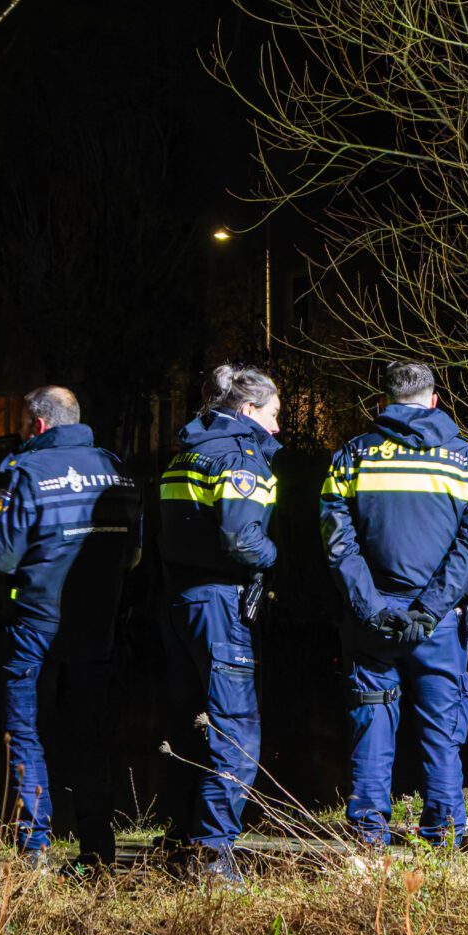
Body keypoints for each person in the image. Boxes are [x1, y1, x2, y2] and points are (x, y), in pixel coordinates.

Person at [319, 360, 468, 849]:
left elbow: (337, 543)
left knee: (372, 722)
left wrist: (371, 607)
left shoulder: (350, 458)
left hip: (371, 621)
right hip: (437, 622)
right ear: (434, 400)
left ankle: (369, 836)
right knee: (442, 727)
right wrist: (433, 608)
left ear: (384, 402)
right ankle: (443, 836)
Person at [0, 385, 142, 874]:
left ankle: (34, 850)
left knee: (27, 731)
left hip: (37, 622)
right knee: (91, 734)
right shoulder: (119, 471)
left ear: (38, 424)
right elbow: (133, 555)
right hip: (97, 624)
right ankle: (98, 850)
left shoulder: (25, 472)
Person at [157, 364, 281, 888]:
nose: (277, 429)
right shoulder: (240, 457)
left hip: (178, 602)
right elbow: (243, 540)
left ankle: (180, 841)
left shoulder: (185, 453)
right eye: (273, 415)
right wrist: (273, 559)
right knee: (236, 727)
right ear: (248, 411)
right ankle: (212, 855)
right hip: (220, 604)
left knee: (190, 723)